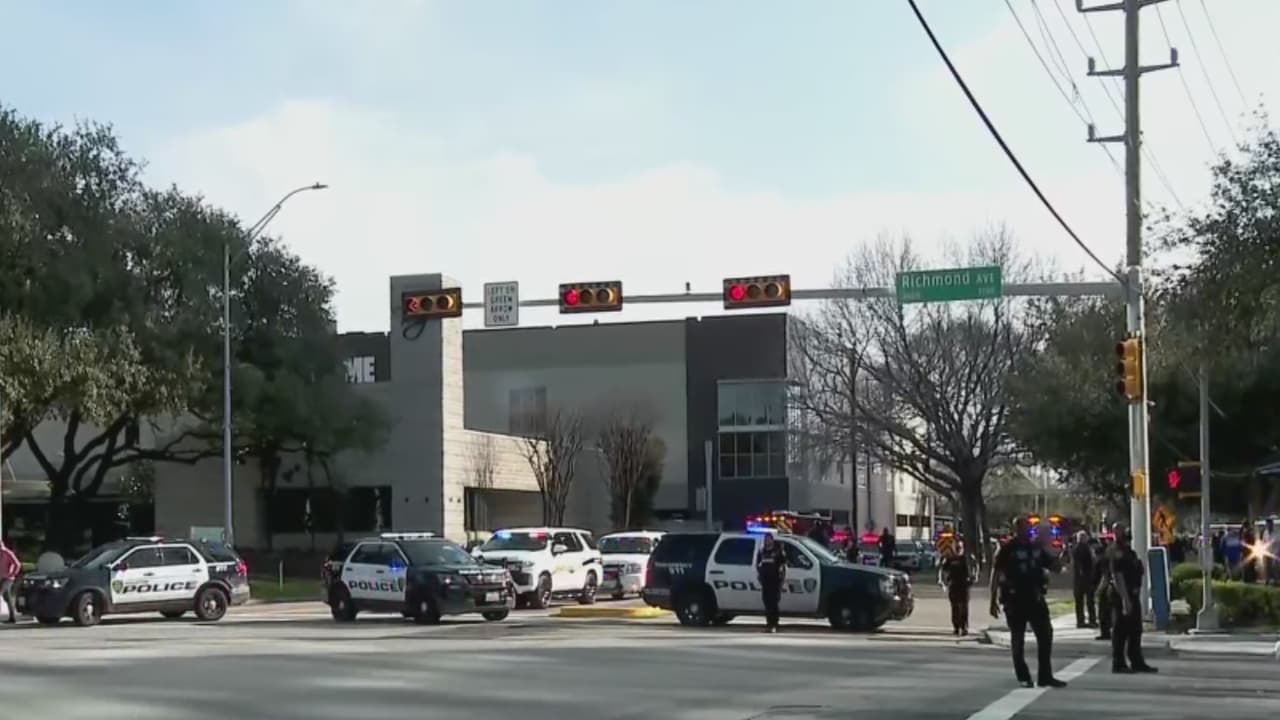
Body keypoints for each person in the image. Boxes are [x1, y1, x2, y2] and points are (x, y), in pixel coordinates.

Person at [990, 515, 1066, 689]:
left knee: (1046, 635)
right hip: (1014, 599)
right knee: (1018, 639)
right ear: (1015, 529)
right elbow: (996, 573)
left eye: (1026, 527)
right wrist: (993, 599)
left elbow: (1054, 566)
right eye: (1021, 527)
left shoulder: (1036, 548)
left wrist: (1062, 555)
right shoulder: (1007, 548)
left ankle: (1045, 676)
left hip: (1035, 597)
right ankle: (1023, 677)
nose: (1025, 530)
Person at [1106, 522, 1157, 674]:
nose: (1124, 533)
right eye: (1120, 530)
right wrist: (1125, 599)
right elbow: (1117, 576)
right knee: (1120, 631)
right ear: (1115, 532)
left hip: (1132, 595)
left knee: (1135, 630)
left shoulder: (1128, 551)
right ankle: (1119, 663)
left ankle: (1137, 661)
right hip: (1121, 595)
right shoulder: (1115, 551)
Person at [939, 538, 976, 635]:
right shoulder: (950, 559)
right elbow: (942, 570)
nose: (958, 549)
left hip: (964, 585)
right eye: (957, 547)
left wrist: (974, 577)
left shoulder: (967, 559)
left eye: (960, 547)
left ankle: (964, 627)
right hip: (953, 585)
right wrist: (942, 581)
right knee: (955, 607)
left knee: (964, 607)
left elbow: (975, 567)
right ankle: (956, 627)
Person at [755, 532, 786, 633]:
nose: (767, 541)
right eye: (766, 539)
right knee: (766, 602)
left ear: (772, 540)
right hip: (765, 581)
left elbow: (783, 565)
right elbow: (758, 564)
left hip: (775, 581)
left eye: (769, 539)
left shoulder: (777, 552)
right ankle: (768, 624)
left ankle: (775, 623)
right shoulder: (762, 551)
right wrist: (759, 575)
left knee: (774, 602)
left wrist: (781, 579)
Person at [1071, 530, 1097, 629]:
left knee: (1079, 601)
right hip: (1085, 578)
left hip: (1078, 579)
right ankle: (1092, 620)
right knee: (1090, 600)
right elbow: (1085, 564)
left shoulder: (1075, 548)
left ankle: (1080, 620)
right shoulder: (1085, 548)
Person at [1094, 534, 1113, 641]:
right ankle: (1107, 631)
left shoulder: (1103, 561)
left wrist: (1098, 590)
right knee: (1107, 612)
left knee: (1103, 613)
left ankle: (1105, 633)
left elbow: (1105, 577)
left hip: (1105, 590)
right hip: (1109, 588)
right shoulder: (1107, 559)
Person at [0, 541, 20, 624]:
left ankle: (12, 617)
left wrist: (12, 573)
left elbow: (17, 564)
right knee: (7, 598)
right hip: (1, 578)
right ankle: (12, 618)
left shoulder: (8, 553)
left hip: (8, 578)